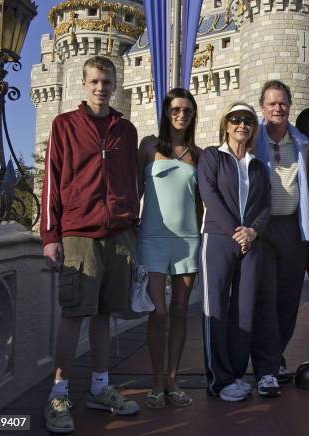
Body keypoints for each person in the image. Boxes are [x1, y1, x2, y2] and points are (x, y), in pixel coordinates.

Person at [40, 56, 140, 434]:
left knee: (104, 314)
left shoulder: (125, 130)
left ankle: (99, 387)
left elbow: (131, 179)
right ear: (83, 83)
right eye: (95, 81)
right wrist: (50, 236)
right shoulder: (64, 125)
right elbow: (51, 179)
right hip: (78, 233)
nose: (102, 87)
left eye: (108, 81)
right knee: (73, 315)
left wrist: (132, 221)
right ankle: (59, 395)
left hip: (118, 234)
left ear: (116, 84)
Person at [198, 102, 271, 402]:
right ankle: (219, 379)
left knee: (244, 309)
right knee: (215, 308)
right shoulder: (212, 156)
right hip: (217, 237)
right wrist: (235, 230)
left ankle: (237, 375)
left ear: (253, 128)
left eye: (248, 121)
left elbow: (266, 204)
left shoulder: (258, 165)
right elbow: (209, 195)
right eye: (236, 119)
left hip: (250, 241)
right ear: (226, 125)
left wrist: (252, 231)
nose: (242, 125)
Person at [137, 88, 201, 409]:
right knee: (157, 312)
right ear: (166, 112)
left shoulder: (198, 154)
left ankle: (172, 381)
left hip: (187, 242)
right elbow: (134, 191)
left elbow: (202, 204)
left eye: (187, 110)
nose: (181, 115)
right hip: (151, 239)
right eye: (176, 109)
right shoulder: (148, 147)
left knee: (178, 311)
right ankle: (156, 380)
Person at [250, 80, 309, 396]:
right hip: (262, 229)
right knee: (266, 299)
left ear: (290, 106)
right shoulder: (251, 138)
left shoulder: (301, 143)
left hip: (292, 228)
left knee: (288, 300)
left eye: (283, 103)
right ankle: (266, 369)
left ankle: (275, 357)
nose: (277, 108)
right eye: (272, 103)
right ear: (263, 106)